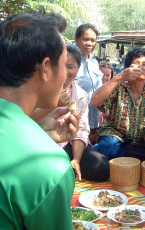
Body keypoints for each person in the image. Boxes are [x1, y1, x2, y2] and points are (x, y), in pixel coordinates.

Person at [0, 11, 80, 229]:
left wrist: (34, 130)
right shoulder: (49, 167)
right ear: (45, 67)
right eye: (64, 65)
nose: (66, 75)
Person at [91, 47, 145, 160]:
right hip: (114, 136)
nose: (140, 67)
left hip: (137, 143)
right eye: (136, 63)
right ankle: (90, 156)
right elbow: (95, 101)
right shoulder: (118, 86)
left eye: (144, 64)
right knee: (111, 146)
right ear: (127, 68)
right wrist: (120, 77)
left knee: (134, 153)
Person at [61, 44, 109, 181]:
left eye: (70, 67)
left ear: (78, 68)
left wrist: (76, 160)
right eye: (62, 66)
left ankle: (71, 165)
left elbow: (82, 129)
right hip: (48, 145)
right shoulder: (44, 90)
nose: (65, 72)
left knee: (102, 167)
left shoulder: (80, 95)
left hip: (70, 144)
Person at [75, 23, 103, 145]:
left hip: (93, 120)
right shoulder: (69, 61)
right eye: (85, 39)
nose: (90, 43)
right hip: (77, 121)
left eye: (93, 40)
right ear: (76, 38)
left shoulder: (94, 62)